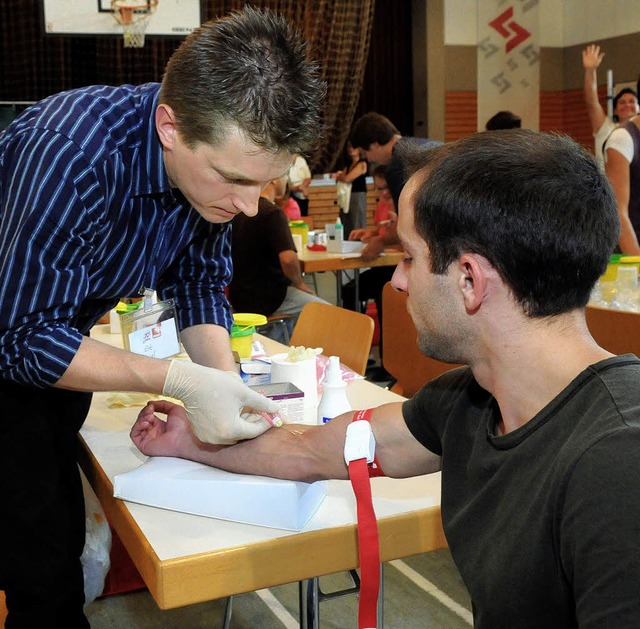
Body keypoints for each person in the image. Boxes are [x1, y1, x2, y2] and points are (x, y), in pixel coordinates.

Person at [131, 129, 640, 627]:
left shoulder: (616, 463)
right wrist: (191, 439)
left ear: (469, 280)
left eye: (410, 257)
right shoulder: (466, 401)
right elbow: (311, 449)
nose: (397, 279)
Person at [0, 6, 324, 626]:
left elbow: (199, 280)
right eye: (234, 179)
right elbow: (20, 341)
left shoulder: (202, 171)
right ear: (170, 127)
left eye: (266, 184)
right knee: (43, 581)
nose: (251, 207)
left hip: (52, 352)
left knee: (57, 544)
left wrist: (222, 380)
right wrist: (178, 381)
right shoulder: (72, 157)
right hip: (11, 359)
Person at [229, 175, 327, 339]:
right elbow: (288, 259)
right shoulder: (273, 213)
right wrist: (300, 283)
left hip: (238, 297)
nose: (288, 181)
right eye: (286, 175)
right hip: (271, 298)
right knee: (329, 314)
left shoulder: (238, 210)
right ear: (274, 178)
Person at [582, 44, 639, 163]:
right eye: (622, 102)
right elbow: (592, 102)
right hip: (606, 181)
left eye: (632, 101)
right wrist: (590, 70)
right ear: (615, 110)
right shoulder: (606, 128)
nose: (627, 105)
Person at [333, 141, 368, 237]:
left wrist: (342, 177)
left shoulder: (362, 163)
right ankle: (347, 239)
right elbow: (342, 177)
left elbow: (347, 178)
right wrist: (342, 177)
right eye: (349, 147)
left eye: (354, 147)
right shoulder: (348, 164)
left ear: (359, 149)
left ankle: (358, 240)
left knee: (357, 219)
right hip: (347, 195)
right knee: (345, 219)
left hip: (357, 194)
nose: (351, 149)